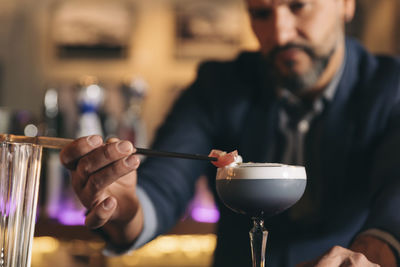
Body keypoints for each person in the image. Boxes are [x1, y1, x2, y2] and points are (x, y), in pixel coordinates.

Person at [60, 0, 400, 266]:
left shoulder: (391, 88)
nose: (280, 34)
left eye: (299, 6)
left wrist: (369, 256)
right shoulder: (217, 85)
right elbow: (164, 184)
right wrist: (125, 205)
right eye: (261, 13)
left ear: (346, 4)